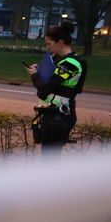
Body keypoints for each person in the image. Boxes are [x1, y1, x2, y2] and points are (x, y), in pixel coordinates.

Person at [25, 22, 87, 155]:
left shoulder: (69, 64)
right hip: (56, 116)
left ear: (60, 42)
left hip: (57, 119)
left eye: (49, 44)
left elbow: (43, 91)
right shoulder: (63, 61)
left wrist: (34, 75)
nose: (47, 48)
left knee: (49, 161)